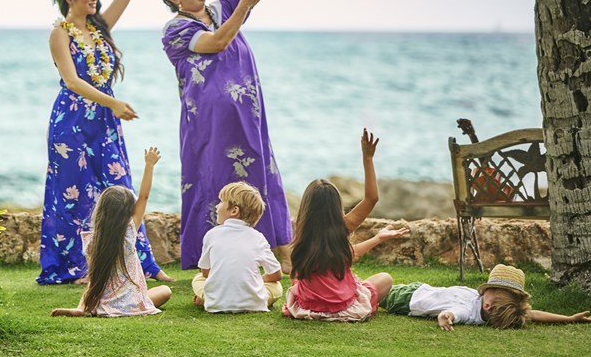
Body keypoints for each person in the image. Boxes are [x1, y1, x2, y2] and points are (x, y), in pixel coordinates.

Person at [38, 0, 174, 285]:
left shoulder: (100, 28)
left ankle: (144, 263)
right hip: (72, 121)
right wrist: (113, 102)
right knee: (75, 192)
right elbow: (71, 80)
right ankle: (81, 266)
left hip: (104, 121)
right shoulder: (59, 33)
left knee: (120, 185)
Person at [158, 0, 291, 270]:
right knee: (213, 182)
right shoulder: (175, 31)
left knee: (262, 174)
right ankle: (212, 261)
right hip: (209, 126)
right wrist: (244, 4)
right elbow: (216, 42)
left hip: (247, 114)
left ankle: (280, 257)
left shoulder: (221, 9)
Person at [282, 130, 409, 322]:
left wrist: (377, 238)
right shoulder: (344, 227)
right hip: (343, 306)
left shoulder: (301, 234)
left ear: (307, 207)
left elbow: (299, 272)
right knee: (385, 279)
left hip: (308, 307)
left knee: (300, 281)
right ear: (335, 206)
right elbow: (371, 198)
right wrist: (368, 158)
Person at [51, 148, 173, 316]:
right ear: (129, 212)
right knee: (165, 290)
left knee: (92, 284)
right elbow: (143, 197)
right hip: (132, 301)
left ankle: (81, 309)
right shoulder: (129, 234)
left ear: (100, 211)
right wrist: (149, 165)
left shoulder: (92, 242)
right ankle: (119, 307)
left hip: (102, 302)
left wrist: (86, 305)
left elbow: (93, 280)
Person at [382, 263, 591, 330]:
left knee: (369, 287)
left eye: (490, 288)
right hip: (422, 288)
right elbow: (532, 313)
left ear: (489, 305)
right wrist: (569, 318)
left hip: (405, 299)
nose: (483, 290)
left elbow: (453, 314)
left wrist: (444, 317)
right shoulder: (496, 306)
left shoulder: (468, 312)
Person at [192, 181, 283, 313]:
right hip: (253, 304)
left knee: (198, 279)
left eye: (221, 202)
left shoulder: (211, 234)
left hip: (216, 303)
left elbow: (205, 272)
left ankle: (206, 298)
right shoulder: (258, 237)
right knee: (277, 287)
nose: (217, 206)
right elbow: (276, 275)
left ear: (234, 211)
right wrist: (258, 281)